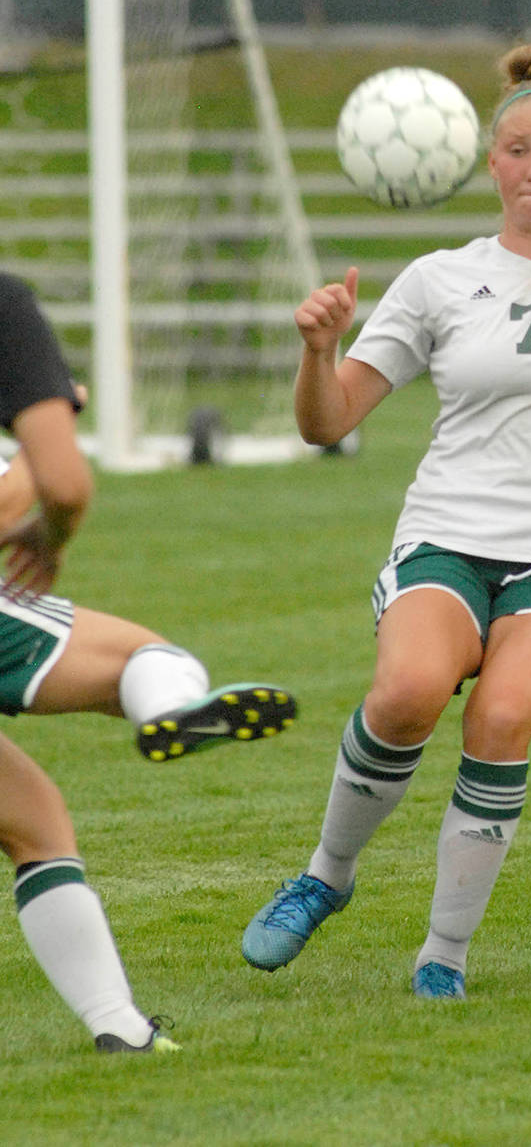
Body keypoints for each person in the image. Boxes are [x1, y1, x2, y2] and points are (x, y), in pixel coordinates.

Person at [241, 44, 531, 1002]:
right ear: (489, 162)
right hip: (448, 534)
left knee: (504, 715)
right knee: (405, 695)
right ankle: (325, 876)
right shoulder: (437, 277)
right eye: (517, 150)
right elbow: (328, 420)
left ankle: (444, 956)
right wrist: (319, 348)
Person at [0, 271, 298, 1053]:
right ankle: (164, 706)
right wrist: (47, 490)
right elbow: (62, 484)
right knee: (146, 653)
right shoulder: (5, 305)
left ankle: (122, 1029)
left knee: (34, 819)